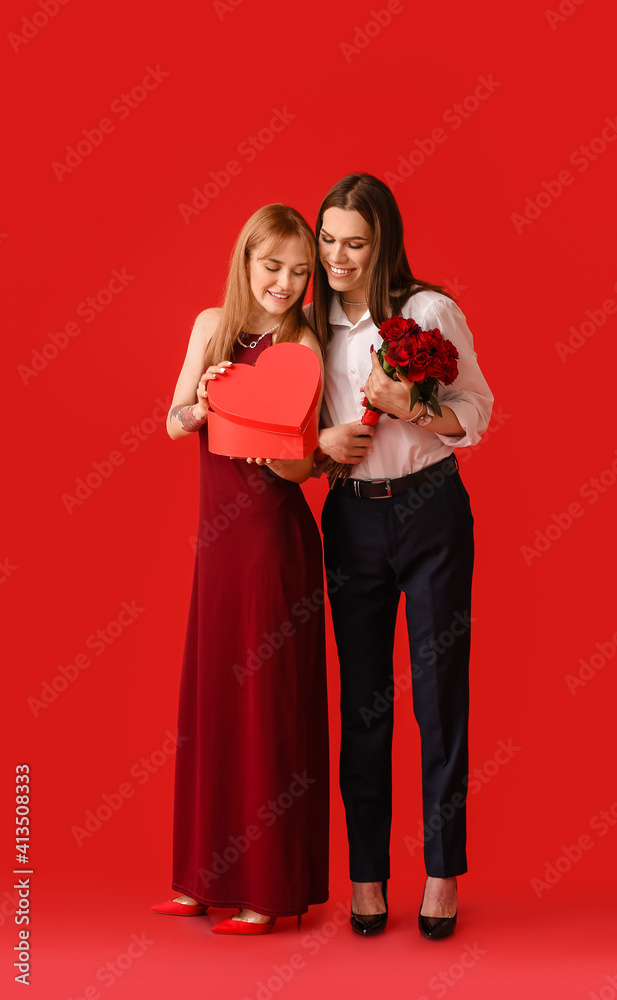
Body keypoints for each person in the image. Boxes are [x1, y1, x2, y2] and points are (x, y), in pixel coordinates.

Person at [308, 173, 493, 939]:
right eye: (327, 240)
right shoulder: (311, 324)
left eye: (353, 243)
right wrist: (322, 445)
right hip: (351, 516)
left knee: (438, 696)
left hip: (430, 512)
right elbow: (291, 431)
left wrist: (413, 406)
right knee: (363, 702)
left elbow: (476, 409)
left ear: (382, 240)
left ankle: (442, 874)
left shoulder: (427, 311)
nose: (336, 257)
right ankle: (366, 876)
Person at [152, 204, 329, 935]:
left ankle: (266, 891)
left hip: (273, 543)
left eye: (300, 271)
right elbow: (172, 422)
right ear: (245, 262)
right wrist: (201, 402)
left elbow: (306, 466)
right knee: (214, 703)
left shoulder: (305, 340)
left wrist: (275, 451)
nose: (285, 282)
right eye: (272, 265)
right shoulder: (209, 326)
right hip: (217, 547)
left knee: (266, 709)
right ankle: (202, 879)